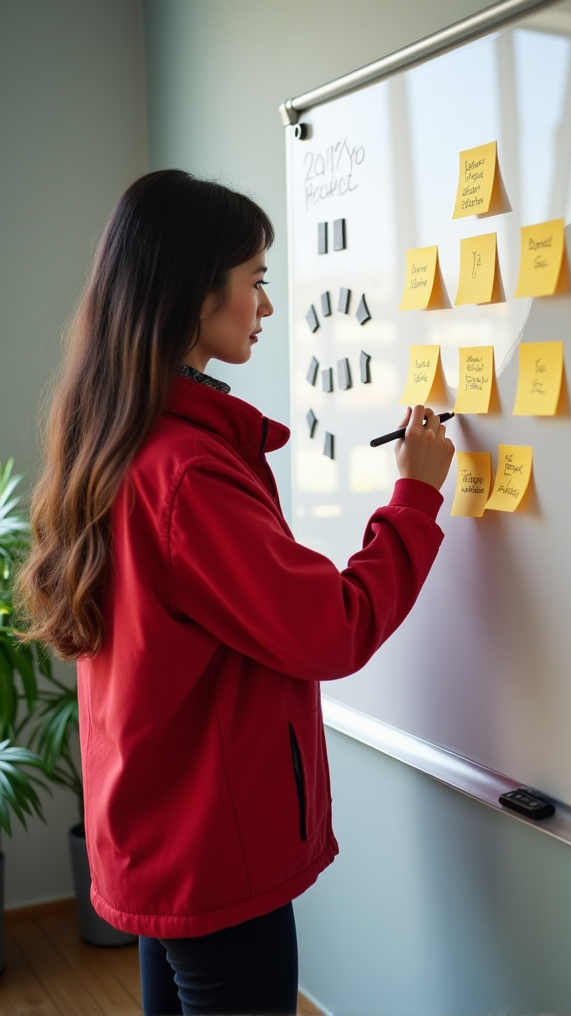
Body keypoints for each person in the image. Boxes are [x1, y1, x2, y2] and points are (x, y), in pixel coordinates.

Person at [16, 169, 454, 1016]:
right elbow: (333, 626)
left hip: (158, 838)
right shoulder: (185, 473)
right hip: (214, 853)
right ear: (193, 291)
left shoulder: (117, 439)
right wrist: (416, 499)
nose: (267, 305)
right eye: (255, 280)